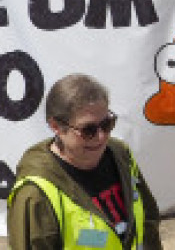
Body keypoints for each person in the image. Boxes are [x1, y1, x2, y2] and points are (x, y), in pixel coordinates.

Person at [7, 73, 162, 250]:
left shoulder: (120, 154)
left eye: (106, 124)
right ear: (56, 127)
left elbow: (148, 222)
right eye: (88, 130)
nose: (101, 137)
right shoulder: (35, 194)